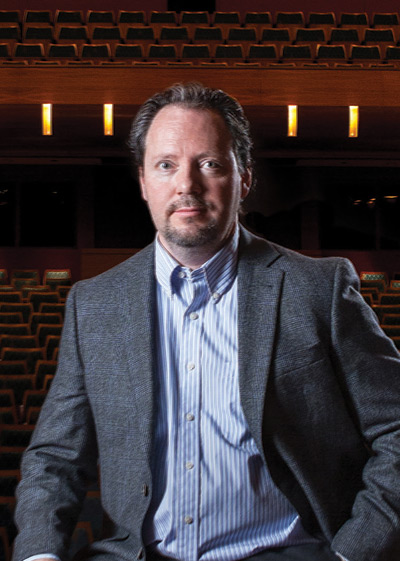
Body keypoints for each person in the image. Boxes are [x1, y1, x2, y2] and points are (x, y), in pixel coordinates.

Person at [13, 83, 400, 561]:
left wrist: (354, 552)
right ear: (142, 181)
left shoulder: (317, 289)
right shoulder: (94, 303)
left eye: (210, 164)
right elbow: (54, 459)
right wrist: (39, 554)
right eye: (166, 165)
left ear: (245, 177)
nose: (187, 185)